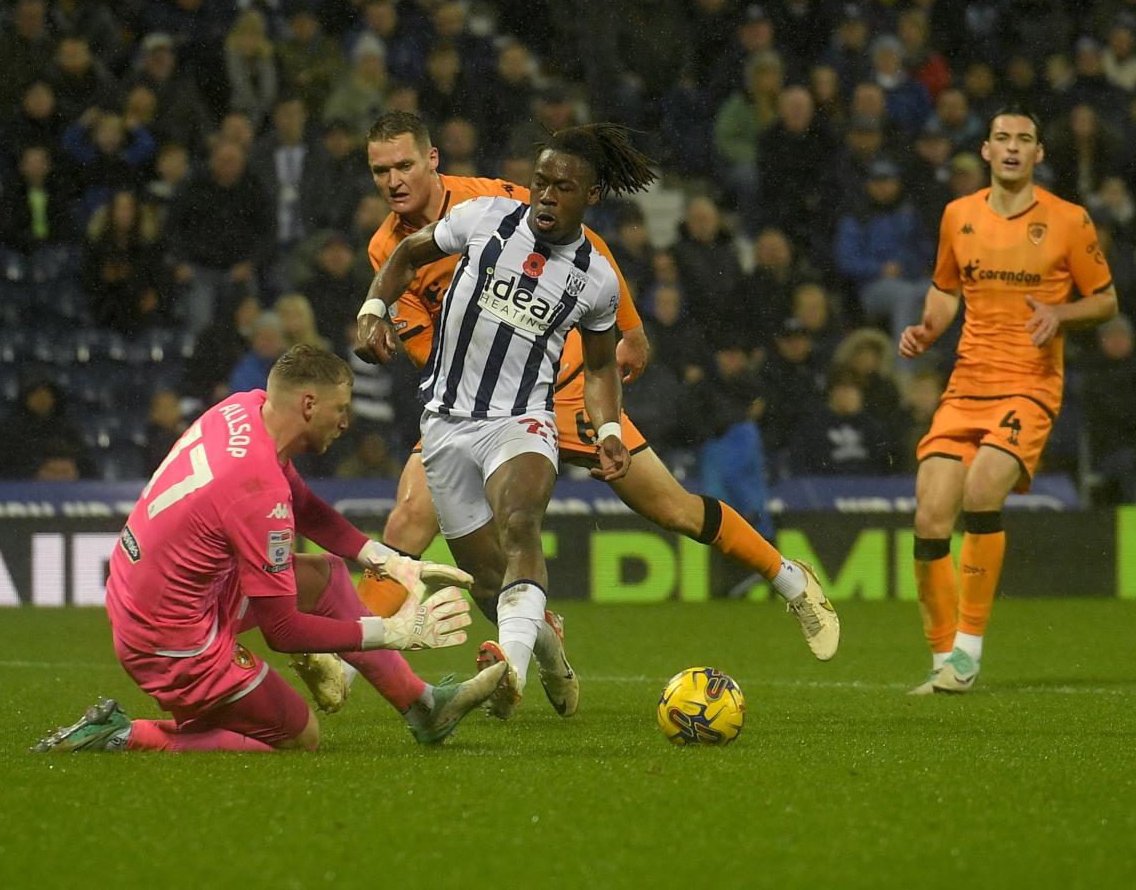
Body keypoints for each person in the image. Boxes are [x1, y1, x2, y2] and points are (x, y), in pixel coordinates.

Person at [352, 114, 839, 719]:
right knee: (416, 526)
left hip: (567, 391)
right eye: (380, 171)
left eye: (403, 165)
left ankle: (792, 580)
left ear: (431, 161)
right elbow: (423, 339)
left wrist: (629, 328)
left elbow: (587, 249)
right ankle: (363, 660)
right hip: (472, 406)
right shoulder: (387, 248)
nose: (394, 181)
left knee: (671, 508)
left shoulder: (492, 200)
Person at [32, 346, 507, 754]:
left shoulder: (244, 409)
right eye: (340, 408)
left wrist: (384, 558)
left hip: (157, 595)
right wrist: (394, 630)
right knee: (299, 736)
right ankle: (124, 734)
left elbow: (303, 504)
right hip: (170, 641)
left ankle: (424, 709)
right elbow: (283, 630)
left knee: (327, 577)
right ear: (307, 404)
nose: (346, 422)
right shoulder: (256, 490)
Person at [899, 105, 1118, 695]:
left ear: (1039, 154)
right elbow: (946, 289)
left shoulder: (1069, 221)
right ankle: (944, 659)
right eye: (1003, 138)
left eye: (1025, 139)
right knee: (929, 514)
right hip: (966, 384)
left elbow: (1105, 300)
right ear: (988, 152)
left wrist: (1061, 312)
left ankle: (968, 650)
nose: (1014, 147)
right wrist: (926, 329)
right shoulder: (957, 216)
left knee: (980, 490)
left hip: (1030, 385)